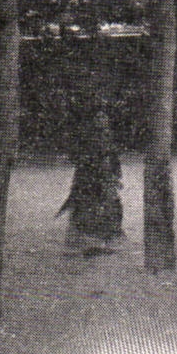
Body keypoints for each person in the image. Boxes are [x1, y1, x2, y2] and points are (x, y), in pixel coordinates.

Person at [57, 106, 124, 256]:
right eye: (98, 117)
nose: (101, 120)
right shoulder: (87, 138)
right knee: (85, 208)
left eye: (104, 117)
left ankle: (105, 241)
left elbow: (113, 158)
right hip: (88, 179)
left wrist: (115, 175)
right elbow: (79, 157)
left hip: (105, 179)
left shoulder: (109, 137)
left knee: (110, 208)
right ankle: (82, 243)